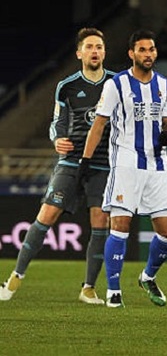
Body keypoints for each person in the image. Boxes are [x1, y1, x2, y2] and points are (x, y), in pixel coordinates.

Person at [0, 27, 114, 304]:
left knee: (101, 222)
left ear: (104, 52)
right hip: (71, 161)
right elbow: (57, 123)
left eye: (99, 46)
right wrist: (57, 139)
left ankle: (88, 288)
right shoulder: (67, 86)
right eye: (89, 46)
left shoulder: (116, 84)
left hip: (103, 163)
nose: (95, 51)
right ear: (79, 53)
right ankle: (15, 277)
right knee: (47, 215)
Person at [79, 29, 167, 308]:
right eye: (142, 50)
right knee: (121, 225)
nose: (148, 54)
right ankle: (113, 289)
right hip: (126, 163)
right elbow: (99, 124)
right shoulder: (117, 84)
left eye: (151, 50)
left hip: (158, 165)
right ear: (131, 54)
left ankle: (147, 276)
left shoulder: (166, 86)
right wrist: (86, 160)